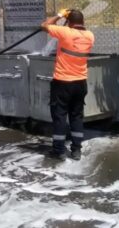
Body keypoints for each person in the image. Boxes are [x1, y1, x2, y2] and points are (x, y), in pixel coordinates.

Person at [41, 8, 95, 161]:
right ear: (83, 22)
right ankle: (76, 150)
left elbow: (44, 25)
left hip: (63, 82)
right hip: (80, 83)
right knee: (76, 116)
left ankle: (59, 150)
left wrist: (59, 15)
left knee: (59, 116)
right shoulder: (90, 36)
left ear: (69, 22)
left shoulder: (65, 32)